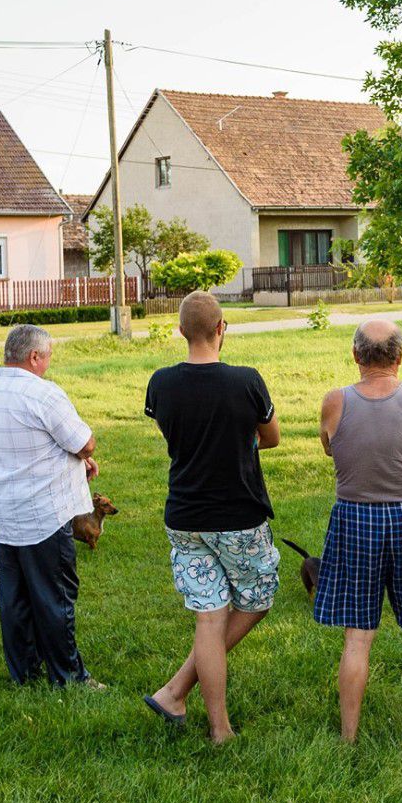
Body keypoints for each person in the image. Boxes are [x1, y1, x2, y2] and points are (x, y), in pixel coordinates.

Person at [143, 291, 282, 744]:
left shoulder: (160, 383)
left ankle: (202, 714)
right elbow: (273, 437)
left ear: (181, 331)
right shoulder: (247, 380)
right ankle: (183, 692)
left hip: (185, 515)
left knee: (209, 617)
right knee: (256, 600)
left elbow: (175, 433)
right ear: (223, 328)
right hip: (239, 514)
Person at [315, 319, 402, 744]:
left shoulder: (335, 402)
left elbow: (329, 447)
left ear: (356, 356)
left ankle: (349, 737)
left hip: (356, 517)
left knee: (358, 636)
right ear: (397, 358)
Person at [0, 324, 102, 688]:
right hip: (43, 514)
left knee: (14, 600)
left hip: (3, 510)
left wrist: (77, 458)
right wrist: (84, 453)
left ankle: (24, 672)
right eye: (46, 358)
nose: (47, 365)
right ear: (34, 357)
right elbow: (85, 442)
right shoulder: (43, 394)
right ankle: (68, 676)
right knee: (54, 597)